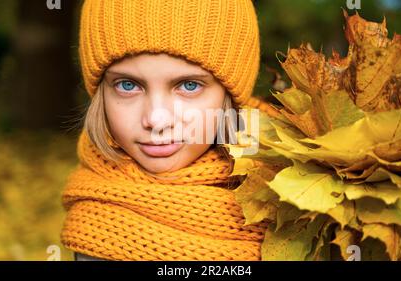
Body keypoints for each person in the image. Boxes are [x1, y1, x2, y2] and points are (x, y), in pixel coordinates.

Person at [61, 0, 272, 261]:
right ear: (100, 91)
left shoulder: (304, 190)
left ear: (230, 95)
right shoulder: (96, 228)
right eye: (127, 85)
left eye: (189, 85)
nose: (156, 119)